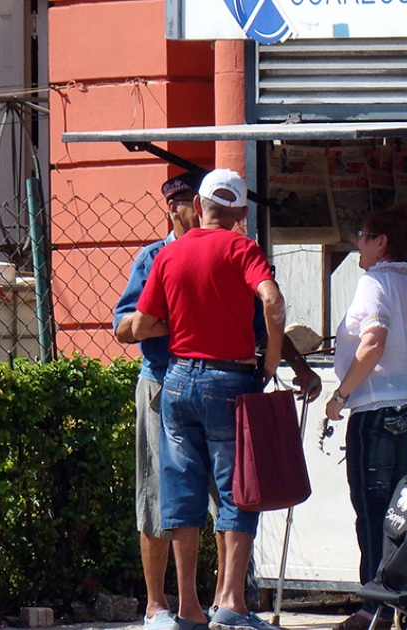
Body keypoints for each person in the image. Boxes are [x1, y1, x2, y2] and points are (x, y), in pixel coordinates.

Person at [127, 169, 293, 630]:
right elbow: (273, 302)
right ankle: (232, 605)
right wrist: (271, 360)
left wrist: (177, 325)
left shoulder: (169, 253)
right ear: (240, 213)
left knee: (181, 491)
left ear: (198, 208)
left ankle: (188, 608)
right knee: (238, 491)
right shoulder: (244, 249)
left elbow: (139, 326)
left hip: (177, 379)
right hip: (230, 378)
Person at [324, 201, 407, 630]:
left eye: (363, 234)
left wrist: (341, 394)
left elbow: (373, 339)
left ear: (381, 242)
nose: (357, 242)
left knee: (374, 510)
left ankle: (372, 606)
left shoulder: (375, 282)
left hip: (378, 411)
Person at [113, 172, 206, 630]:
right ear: (174, 209)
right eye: (190, 202)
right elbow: (124, 323)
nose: (197, 208)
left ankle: (211, 602)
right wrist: (176, 321)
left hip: (210, 382)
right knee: (155, 494)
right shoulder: (153, 257)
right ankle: (156, 604)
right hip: (160, 382)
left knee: (218, 498)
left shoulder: (223, 251)